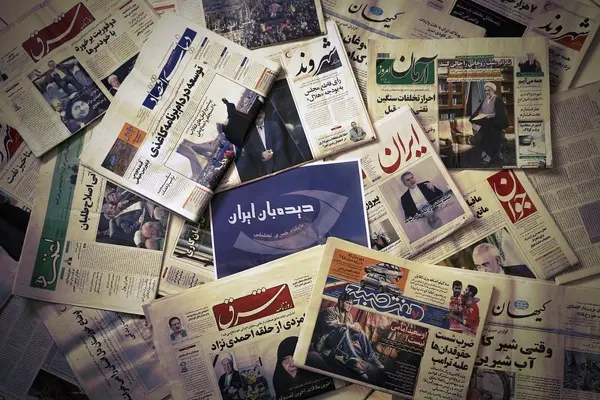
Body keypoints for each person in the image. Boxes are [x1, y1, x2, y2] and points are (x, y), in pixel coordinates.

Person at [313, 292, 384, 380]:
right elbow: (330, 324)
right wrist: (349, 325)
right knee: (344, 329)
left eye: (351, 304)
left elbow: (350, 329)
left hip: (342, 341)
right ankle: (355, 363)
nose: (350, 306)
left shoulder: (349, 315)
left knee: (360, 332)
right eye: (347, 303)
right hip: (327, 341)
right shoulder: (329, 311)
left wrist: (356, 327)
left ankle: (371, 357)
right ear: (340, 302)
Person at [238, 109, 292, 180]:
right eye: (257, 118)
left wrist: (271, 152)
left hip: (278, 165)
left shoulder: (273, 125)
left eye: (260, 117)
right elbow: (249, 150)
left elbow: (279, 141)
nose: (259, 120)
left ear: (264, 114)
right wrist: (261, 154)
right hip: (261, 171)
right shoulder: (249, 133)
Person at [469, 82, 509, 165]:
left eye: (489, 90)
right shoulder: (485, 100)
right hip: (486, 124)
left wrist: (489, 116)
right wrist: (479, 115)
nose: (487, 92)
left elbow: (499, 113)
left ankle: (489, 157)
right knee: (482, 138)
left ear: (493, 91)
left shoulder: (498, 100)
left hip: (495, 125)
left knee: (492, 139)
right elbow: (480, 110)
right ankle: (489, 154)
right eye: (486, 90)